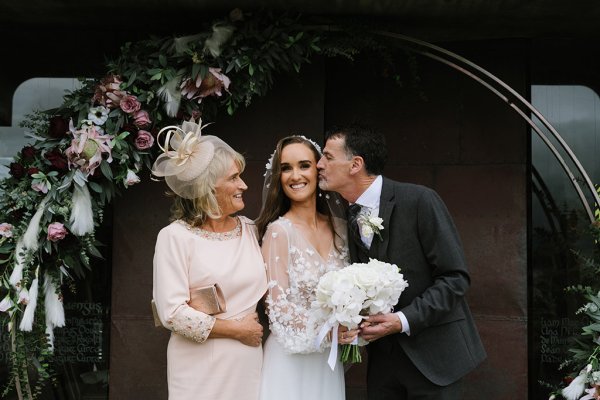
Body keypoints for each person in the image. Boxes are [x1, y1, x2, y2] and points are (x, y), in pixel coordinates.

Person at [316, 124, 486, 400]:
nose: (319, 165)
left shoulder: (420, 201)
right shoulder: (344, 217)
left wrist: (402, 320)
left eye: (328, 157)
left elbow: (455, 278)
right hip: (383, 365)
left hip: (435, 360)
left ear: (355, 164)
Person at [152, 119, 268, 400]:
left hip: (245, 362)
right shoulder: (175, 237)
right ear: (208, 186)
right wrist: (237, 330)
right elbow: (172, 313)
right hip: (197, 365)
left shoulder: (251, 230)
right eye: (233, 178)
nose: (244, 184)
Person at [255, 135, 356, 400]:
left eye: (303, 165)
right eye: (286, 168)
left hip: (327, 363)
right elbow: (277, 308)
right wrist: (327, 332)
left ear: (318, 169)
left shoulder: (341, 228)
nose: (295, 175)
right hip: (290, 361)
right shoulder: (279, 232)